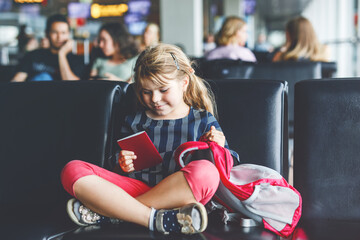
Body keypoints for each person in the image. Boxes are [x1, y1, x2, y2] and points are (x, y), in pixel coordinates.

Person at [61, 43, 239, 235]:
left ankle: (113, 212)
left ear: (184, 83)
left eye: (163, 90)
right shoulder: (135, 120)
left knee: (207, 172)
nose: (154, 99)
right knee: (72, 170)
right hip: (137, 188)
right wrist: (121, 163)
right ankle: (155, 219)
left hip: (178, 195)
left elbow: (228, 169)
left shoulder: (203, 119)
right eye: (146, 92)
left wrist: (219, 148)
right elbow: (114, 166)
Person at [11, 14, 84, 82]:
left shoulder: (75, 59)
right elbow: (17, 81)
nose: (59, 37)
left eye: (63, 33)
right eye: (55, 32)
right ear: (47, 33)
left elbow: (73, 87)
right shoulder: (33, 56)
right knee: (44, 77)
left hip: (61, 95)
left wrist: (62, 54)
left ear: (68, 34)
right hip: (33, 94)